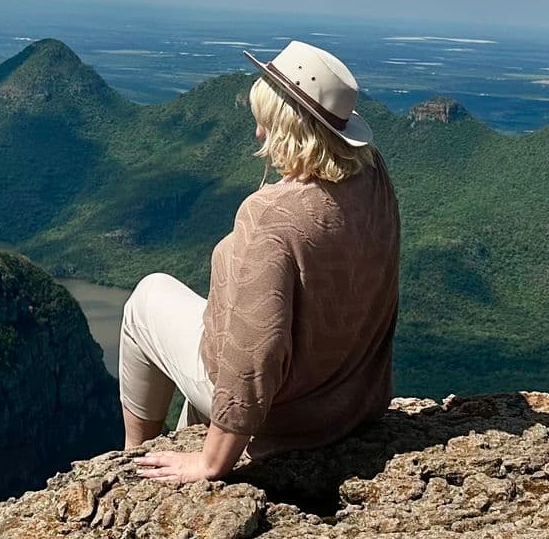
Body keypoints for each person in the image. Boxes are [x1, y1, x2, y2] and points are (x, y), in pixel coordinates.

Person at [120, 39, 401, 483]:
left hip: (283, 416)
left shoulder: (271, 215)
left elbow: (254, 354)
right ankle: (183, 439)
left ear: (289, 128)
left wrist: (211, 463)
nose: (258, 133)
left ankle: (133, 456)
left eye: (266, 123)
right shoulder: (373, 178)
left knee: (146, 298)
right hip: (353, 403)